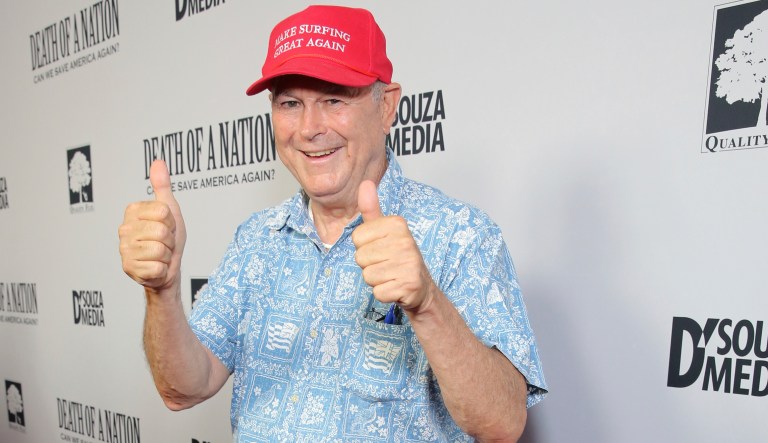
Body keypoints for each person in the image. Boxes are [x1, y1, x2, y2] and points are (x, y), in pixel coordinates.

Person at [119, 5, 546, 442]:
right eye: (290, 103)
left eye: (333, 99)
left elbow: (502, 424)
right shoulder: (256, 238)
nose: (308, 128)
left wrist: (427, 305)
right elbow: (183, 387)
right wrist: (162, 293)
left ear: (387, 107)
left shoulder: (461, 234)